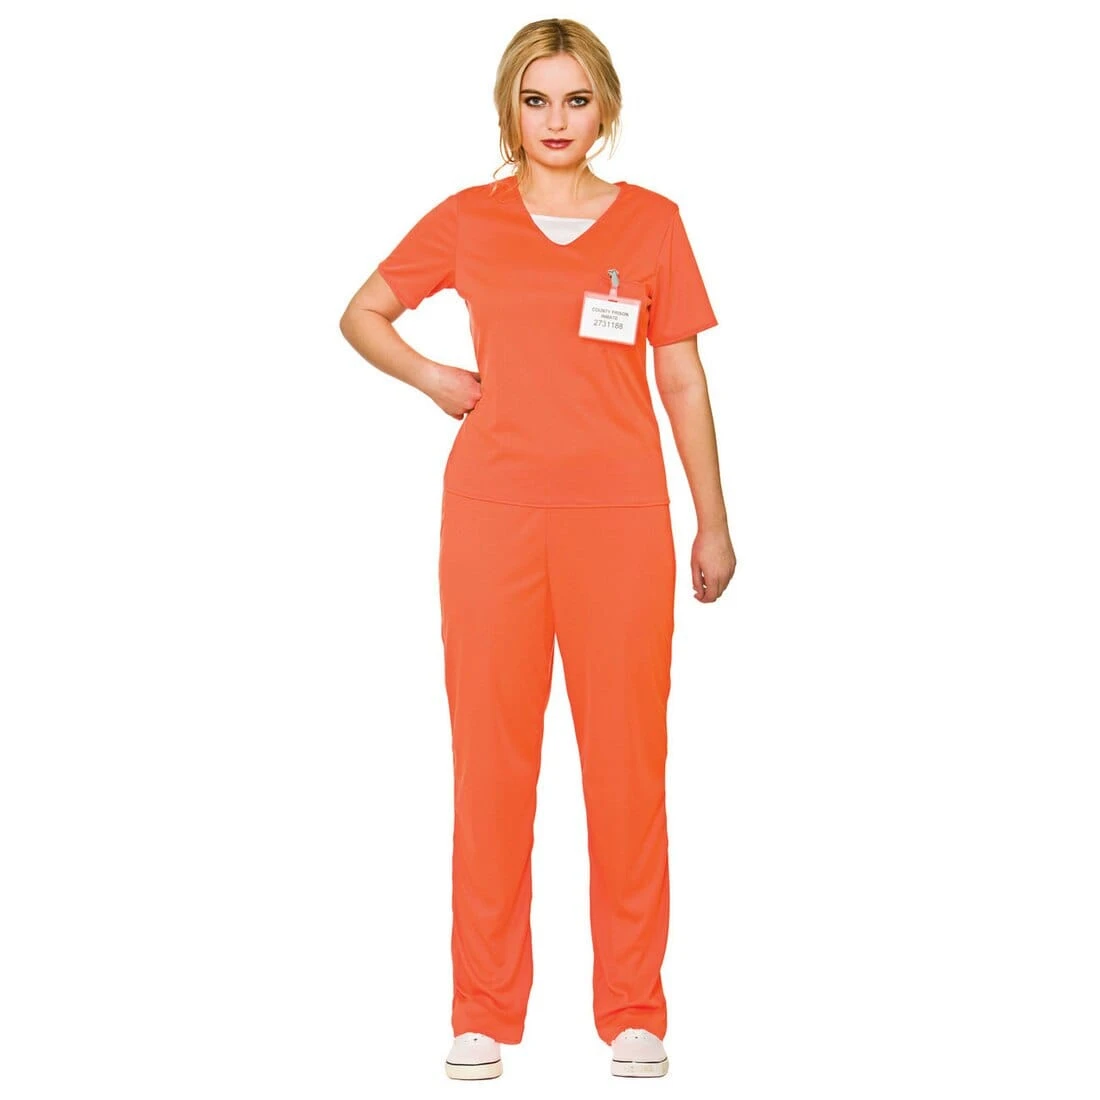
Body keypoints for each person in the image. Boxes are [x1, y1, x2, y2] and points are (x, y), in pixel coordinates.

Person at [339, 17, 736, 1082]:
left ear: (604, 107)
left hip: (620, 523)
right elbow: (363, 312)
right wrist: (433, 377)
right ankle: (481, 1008)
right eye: (535, 99)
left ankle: (633, 1009)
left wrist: (712, 518)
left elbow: (681, 377)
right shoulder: (467, 219)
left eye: (575, 99)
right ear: (508, 108)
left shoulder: (653, 223)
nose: (556, 120)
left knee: (627, 768)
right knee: (492, 766)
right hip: (493, 520)